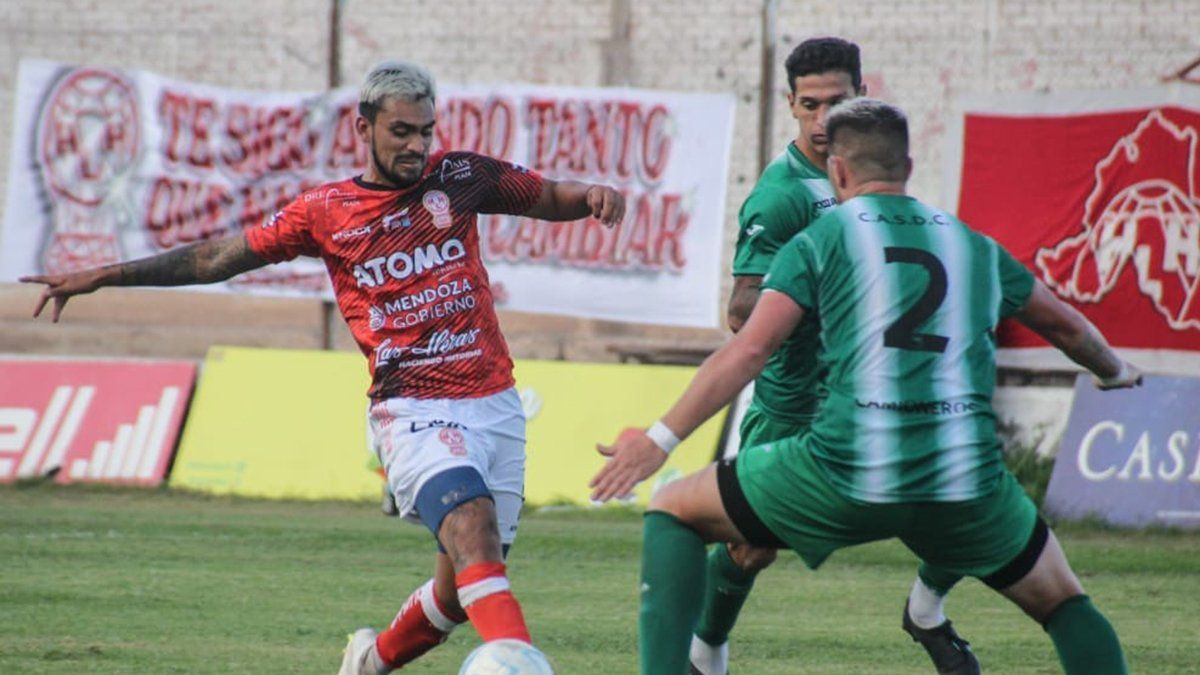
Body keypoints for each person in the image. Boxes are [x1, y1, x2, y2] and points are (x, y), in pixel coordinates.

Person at [23, 60, 626, 675]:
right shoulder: (327, 210)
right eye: (401, 132)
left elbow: (547, 196)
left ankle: (369, 661)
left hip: (496, 406)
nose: (418, 146)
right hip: (413, 411)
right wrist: (105, 275)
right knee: (471, 526)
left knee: (460, 593)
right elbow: (215, 259)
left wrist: (590, 198)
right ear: (362, 129)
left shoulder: (461, 176)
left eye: (426, 131)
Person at [591, 98, 1138, 675]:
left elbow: (750, 347)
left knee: (674, 507)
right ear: (909, 164)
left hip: (844, 468)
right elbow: (1068, 327)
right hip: (962, 480)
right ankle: (925, 608)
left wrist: (659, 439)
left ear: (840, 171)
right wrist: (1114, 371)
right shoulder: (971, 243)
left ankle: (692, 658)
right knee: (1066, 604)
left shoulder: (821, 238)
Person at [695, 37, 975, 675]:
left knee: (970, 492)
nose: (824, 122)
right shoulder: (782, 195)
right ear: (790, 105)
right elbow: (740, 311)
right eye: (810, 106)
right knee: (750, 549)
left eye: (838, 102)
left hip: (879, 389)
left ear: (862, 94)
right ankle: (703, 651)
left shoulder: (874, 168)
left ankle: (926, 612)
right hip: (797, 404)